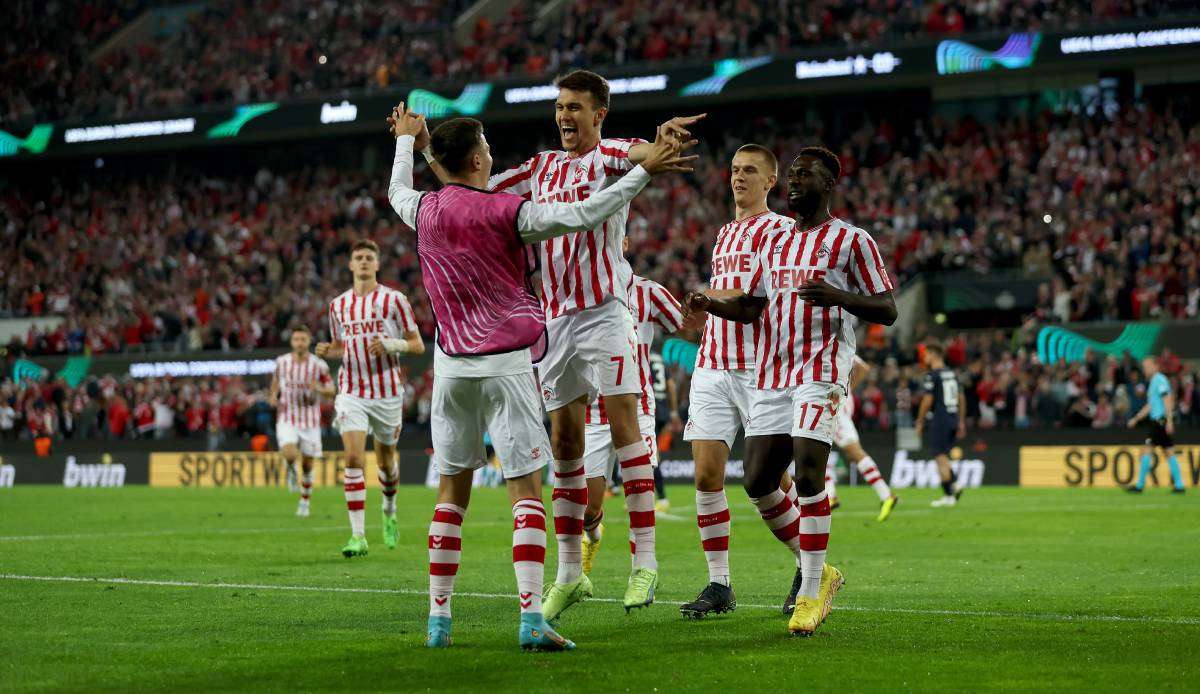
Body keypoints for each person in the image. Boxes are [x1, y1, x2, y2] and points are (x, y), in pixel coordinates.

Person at [386, 105, 694, 649]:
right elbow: (586, 214)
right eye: (486, 145)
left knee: (451, 491)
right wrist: (645, 173)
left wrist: (408, 143)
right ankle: (531, 620)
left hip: (449, 368)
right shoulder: (511, 211)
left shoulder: (422, 208)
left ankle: (438, 623)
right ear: (480, 157)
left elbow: (396, 190)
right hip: (506, 365)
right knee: (526, 491)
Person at [484, 69, 703, 617]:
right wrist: (434, 170)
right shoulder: (539, 167)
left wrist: (662, 143)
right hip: (554, 321)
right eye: (560, 107)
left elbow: (639, 153)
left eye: (575, 107)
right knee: (564, 444)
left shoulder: (608, 155)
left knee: (627, 426)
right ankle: (570, 573)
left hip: (606, 312)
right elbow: (482, 194)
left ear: (598, 113)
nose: (564, 116)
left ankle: (645, 564)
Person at [683, 146, 897, 636]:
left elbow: (887, 309)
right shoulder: (775, 246)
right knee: (758, 480)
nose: (796, 183)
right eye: (794, 176)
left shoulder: (851, 240)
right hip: (773, 373)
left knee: (808, 469)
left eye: (807, 175)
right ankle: (813, 568)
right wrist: (709, 304)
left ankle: (811, 589)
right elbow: (753, 305)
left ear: (829, 185)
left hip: (821, 369)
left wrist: (839, 297)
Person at [675, 144, 802, 619]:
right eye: (734, 170)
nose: (739, 177)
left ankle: (809, 564)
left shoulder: (782, 230)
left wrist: (706, 298)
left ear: (771, 182)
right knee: (707, 473)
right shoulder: (725, 232)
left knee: (769, 480)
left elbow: (755, 300)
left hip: (763, 370)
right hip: (713, 364)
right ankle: (719, 583)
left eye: (750, 171)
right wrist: (704, 302)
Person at [579, 264, 690, 582]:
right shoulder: (578, 290)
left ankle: (643, 571)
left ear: (622, 241)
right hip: (595, 412)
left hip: (638, 407)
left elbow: (684, 321)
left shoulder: (648, 291)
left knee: (639, 489)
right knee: (587, 507)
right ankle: (593, 536)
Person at [315, 239, 425, 557]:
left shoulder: (395, 300)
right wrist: (327, 350)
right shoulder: (338, 305)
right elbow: (340, 345)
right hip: (351, 390)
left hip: (388, 392)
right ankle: (358, 536)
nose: (363, 262)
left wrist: (393, 345)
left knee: (387, 463)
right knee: (352, 458)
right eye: (358, 257)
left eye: (368, 257)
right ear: (350, 265)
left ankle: (389, 511)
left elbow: (417, 345)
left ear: (377, 265)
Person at [269, 326, 335, 517]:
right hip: (287, 416)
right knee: (289, 454)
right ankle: (291, 469)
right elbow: (275, 382)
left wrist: (319, 389)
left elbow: (331, 390)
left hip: (310, 420)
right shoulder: (282, 362)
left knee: (307, 465)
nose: (299, 342)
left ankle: (304, 502)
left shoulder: (318, 365)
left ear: (309, 341)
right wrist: (273, 396)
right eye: (296, 339)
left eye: (303, 339)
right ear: (292, 342)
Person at [824, 356, 899, 521]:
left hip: (835, 405)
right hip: (831, 403)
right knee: (818, 449)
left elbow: (864, 368)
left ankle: (886, 495)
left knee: (854, 452)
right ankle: (830, 496)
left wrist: (846, 390)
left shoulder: (835, 341)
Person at [916, 341, 967, 507]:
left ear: (934, 354)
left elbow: (927, 400)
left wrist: (920, 420)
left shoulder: (933, 375)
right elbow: (961, 397)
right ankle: (953, 487)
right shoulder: (951, 373)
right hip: (952, 417)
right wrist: (960, 420)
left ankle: (951, 492)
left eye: (927, 354)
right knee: (942, 454)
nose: (925, 357)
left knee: (940, 456)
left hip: (941, 418)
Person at [1127, 356, 1185, 493]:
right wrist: (1136, 418)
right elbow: (1150, 405)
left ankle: (1140, 486)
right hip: (1158, 421)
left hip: (1160, 422)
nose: (1145, 370)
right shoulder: (1154, 381)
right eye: (1144, 367)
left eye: (1147, 366)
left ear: (1155, 366)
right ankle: (1179, 485)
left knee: (1147, 450)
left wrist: (1169, 421)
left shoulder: (1159, 380)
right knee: (1169, 452)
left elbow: (1167, 400)